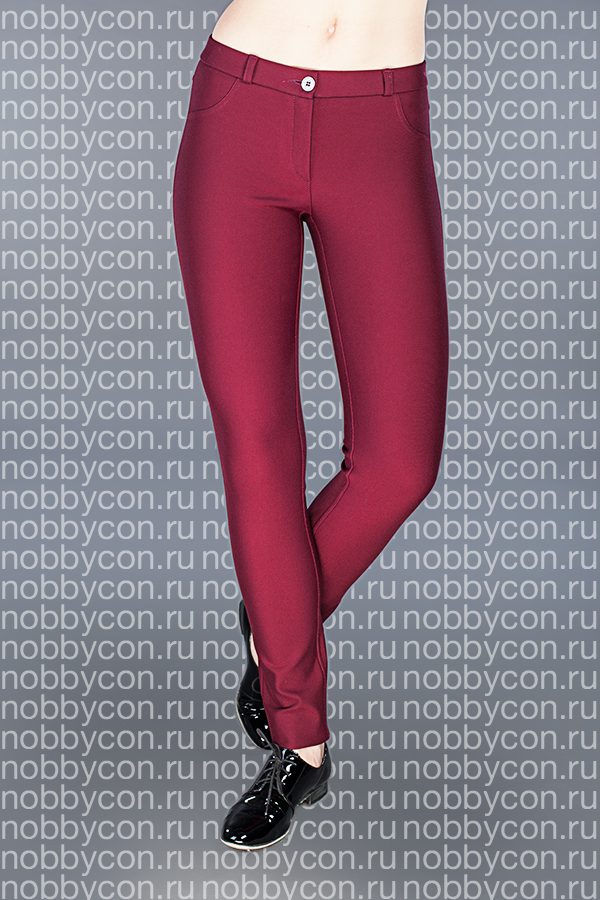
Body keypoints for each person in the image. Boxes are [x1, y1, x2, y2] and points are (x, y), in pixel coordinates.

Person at [172, 0, 449, 850]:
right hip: (241, 107)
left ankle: (275, 616)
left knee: (401, 461)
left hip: (379, 118)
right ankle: (301, 744)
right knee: (258, 445)